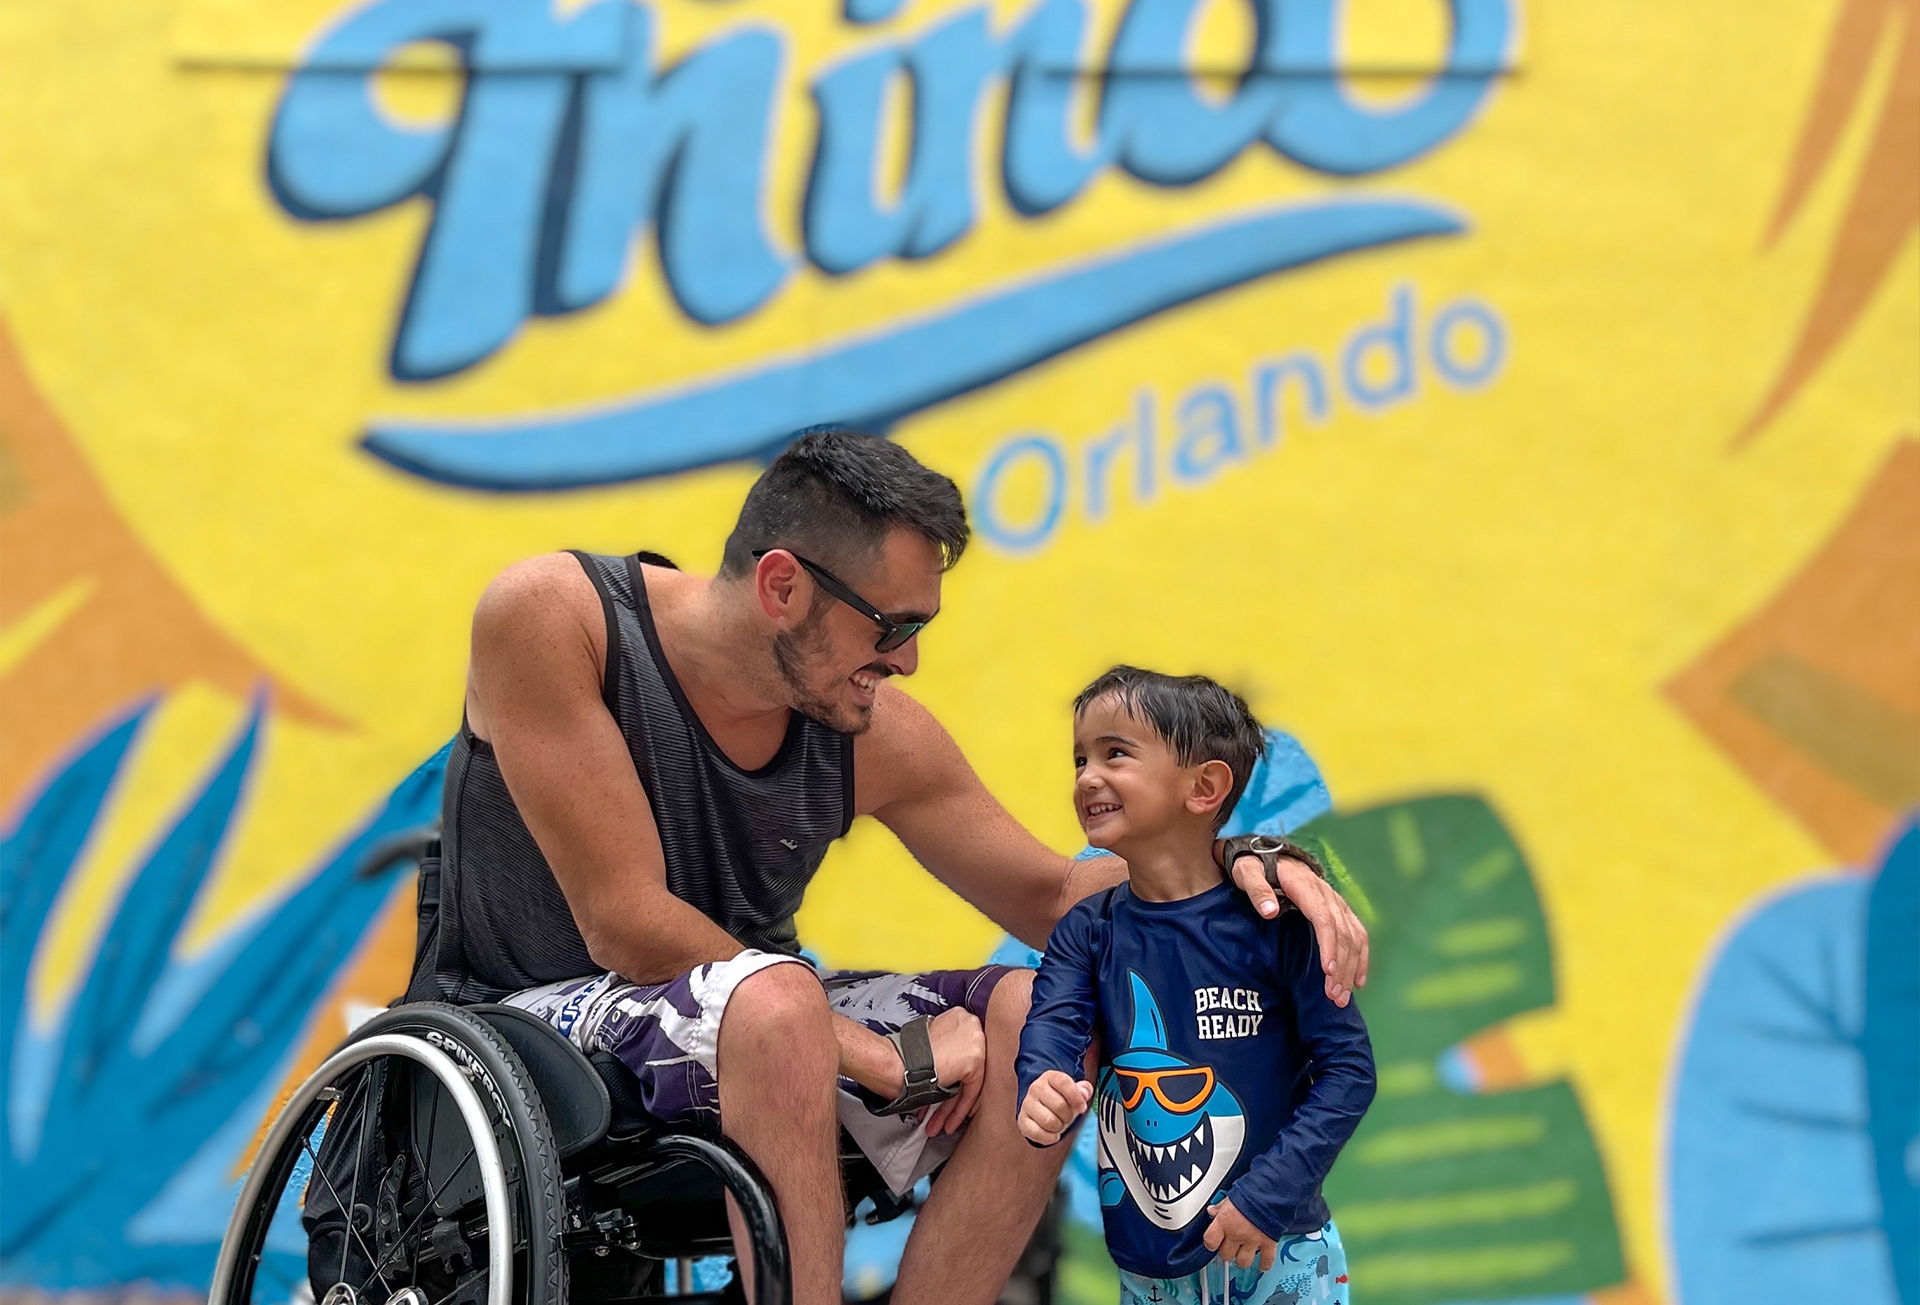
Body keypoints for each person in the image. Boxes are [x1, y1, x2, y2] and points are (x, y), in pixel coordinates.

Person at [412, 430, 1369, 1305]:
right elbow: (623, 919)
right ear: (782, 585)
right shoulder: (556, 616)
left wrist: (1246, 863)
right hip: (524, 1031)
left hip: (764, 1032)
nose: (906, 663)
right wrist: (877, 1054)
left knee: (1039, 1009)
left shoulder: (867, 730)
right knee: (782, 999)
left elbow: (1051, 897)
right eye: (891, 628)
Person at [1015, 668, 1376, 1305]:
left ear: (1204, 786)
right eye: (1079, 758)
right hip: (1149, 1269)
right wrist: (1040, 1079)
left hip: (1279, 1250)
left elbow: (1349, 1071)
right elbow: (1054, 1024)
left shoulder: (1275, 924)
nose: (1086, 777)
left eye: (1115, 753)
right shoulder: (1087, 932)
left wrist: (1266, 1199)